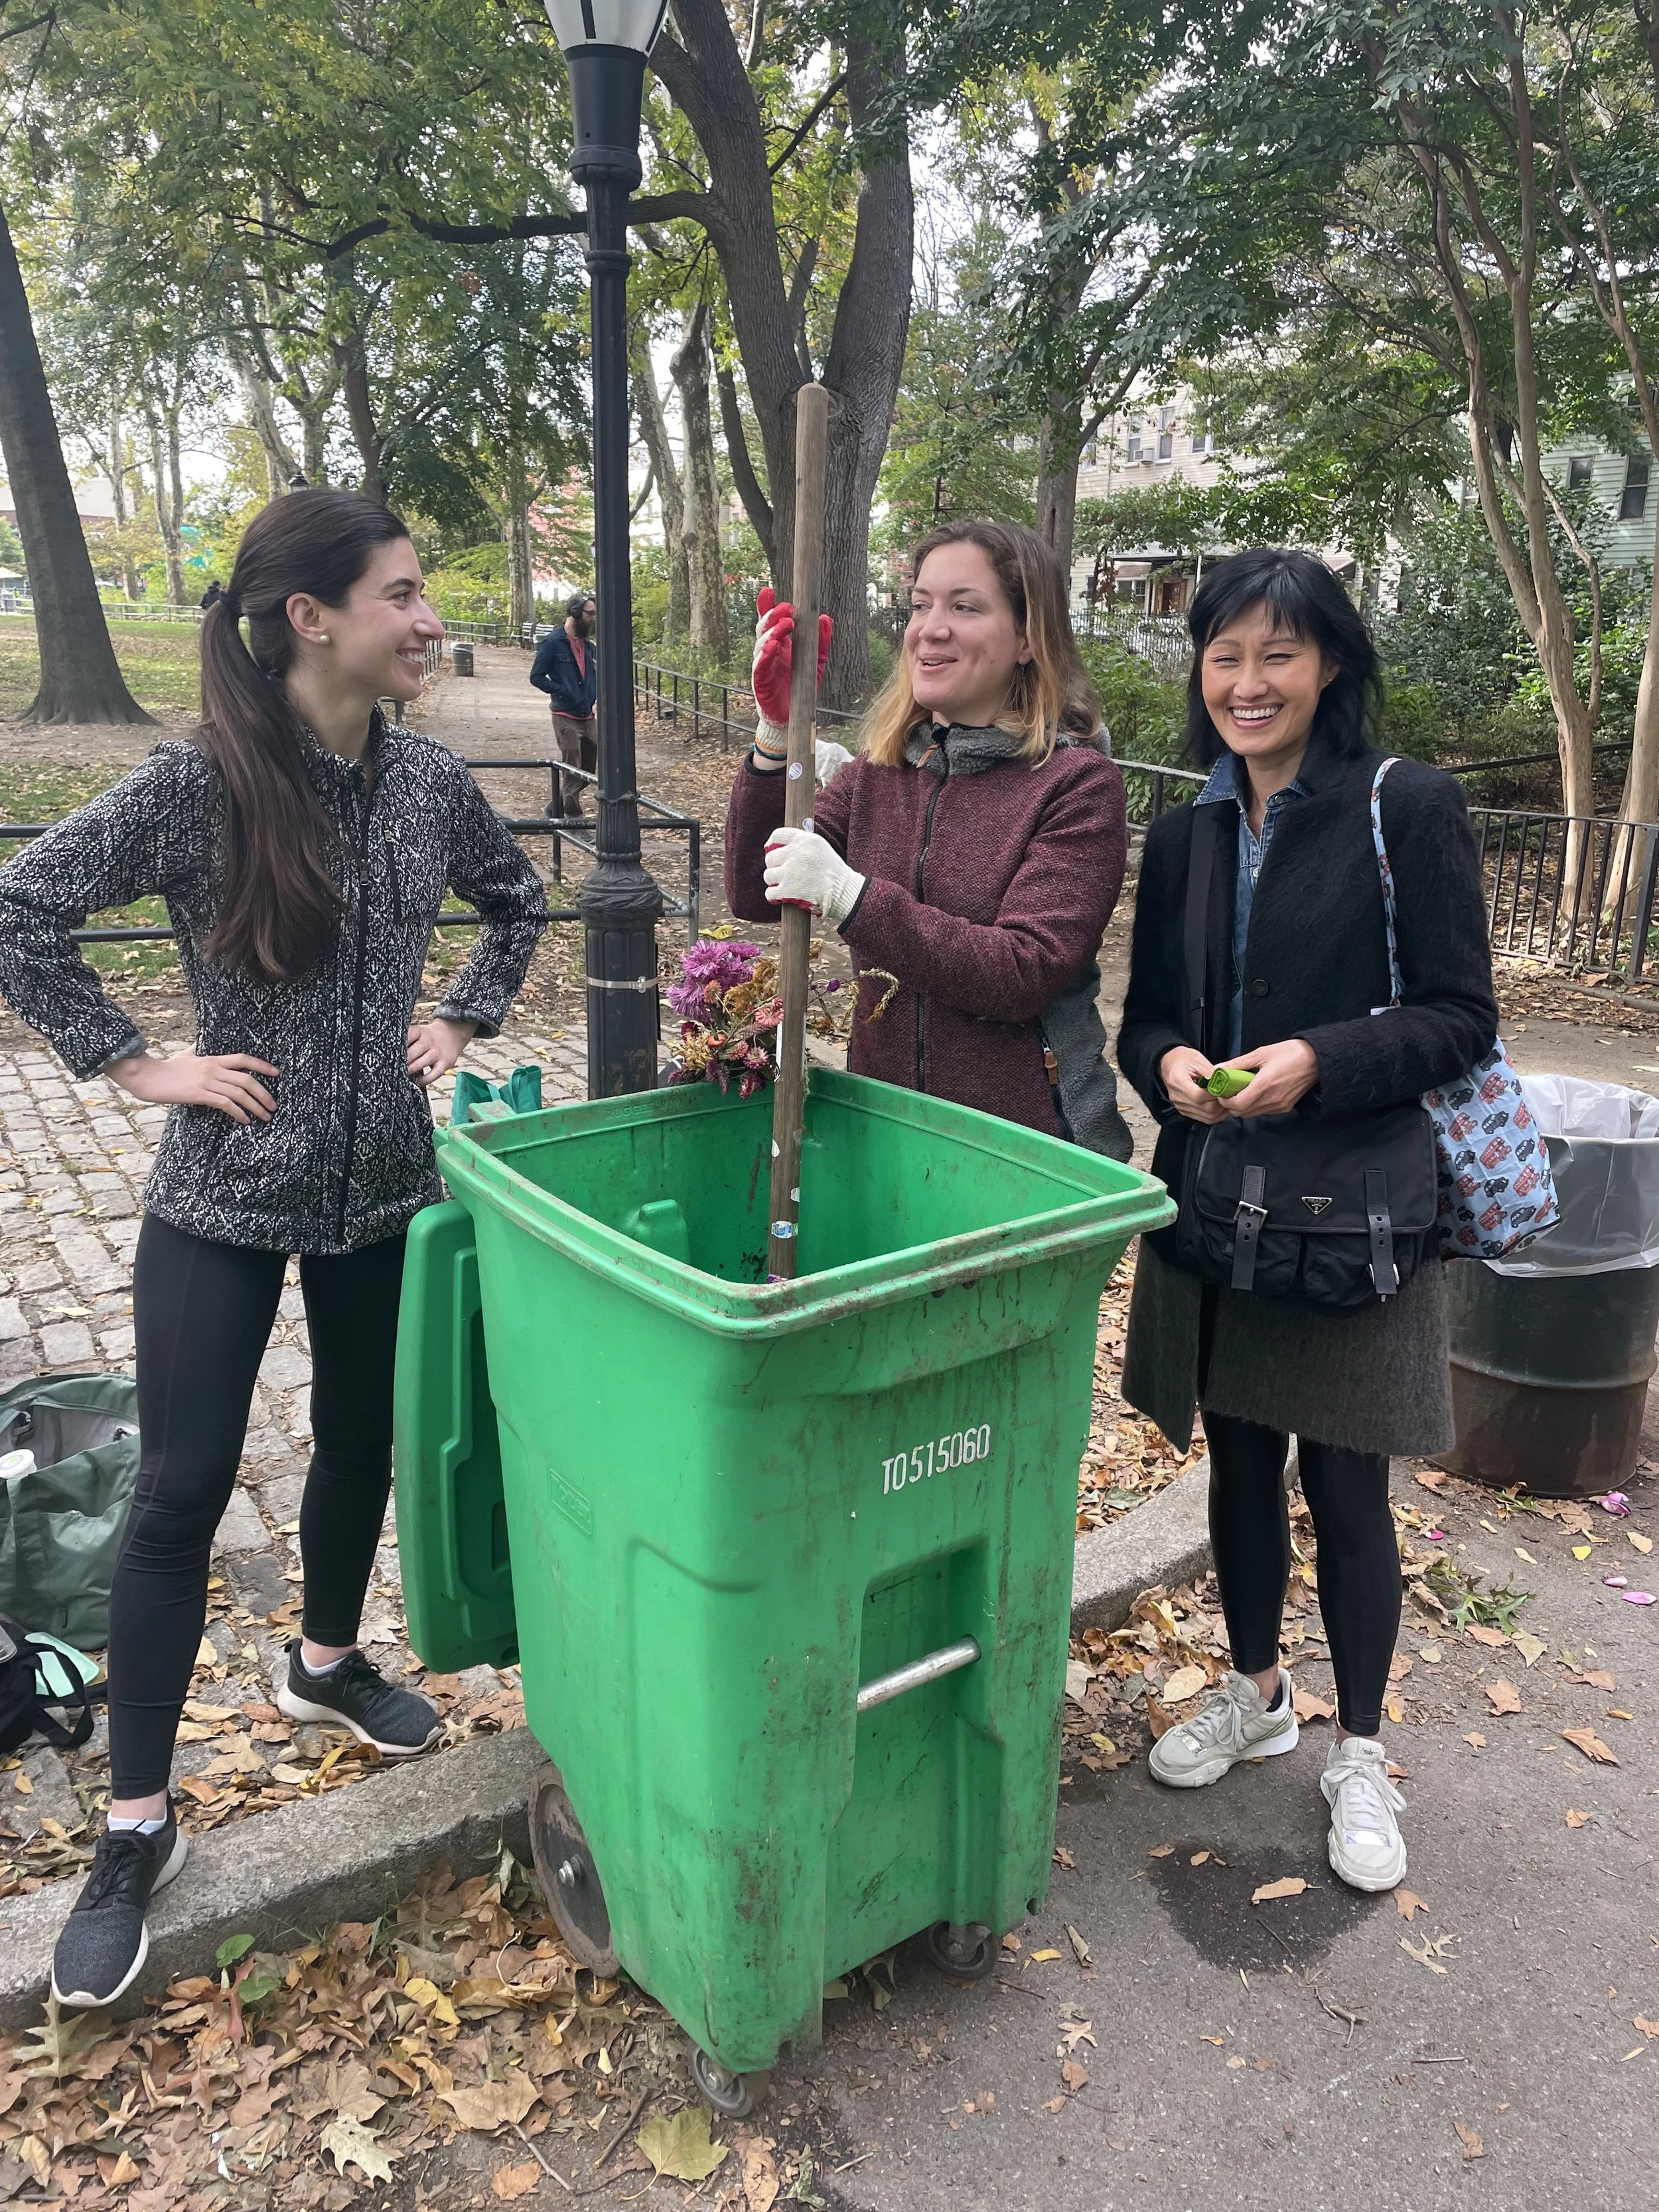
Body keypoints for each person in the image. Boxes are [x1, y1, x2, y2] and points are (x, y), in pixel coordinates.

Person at [0, 488, 546, 2008]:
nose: (427, 615)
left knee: (360, 1440)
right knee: (177, 1494)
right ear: (313, 617)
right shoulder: (207, 784)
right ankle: (135, 1825)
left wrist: (466, 1016)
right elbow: (23, 907)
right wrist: (141, 1064)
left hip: (385, 1192)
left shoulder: (431, 782)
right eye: (402, 591)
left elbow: (514, 902)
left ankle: (320, 1659)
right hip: (223, 1197)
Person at [1116, 548, 1498, 1890]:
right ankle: (1255, 1687)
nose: (1245, 680)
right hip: (1221, 1199)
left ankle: (1358, 1742)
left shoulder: (1406, 805)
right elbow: (1147, 1013)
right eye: (1222, 654)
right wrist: (1168, 1064)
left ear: (1330, 663)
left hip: (1357, 1215)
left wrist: (1315, 1060)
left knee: (1344, 1482)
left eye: (1276, 653)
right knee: (1234, 1465)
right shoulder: (1183, 832)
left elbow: (1459, 1016)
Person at [725, 521, 1131, 1156]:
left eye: (964, 607)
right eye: (920, 605)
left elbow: (1021, 973)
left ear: (1028, 637)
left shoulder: (1075, 785)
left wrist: (852, 898)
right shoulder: (880, 770)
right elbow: (757, 886)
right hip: (889, 1126)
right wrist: (777, 734)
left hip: (1026, 1146)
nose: (930, 628)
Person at [530, 591, 599, 816]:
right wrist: (563, 692)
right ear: (577, 613)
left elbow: (591, 674)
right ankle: (573, 814)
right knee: (571, 766)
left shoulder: (588, 646)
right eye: (590, 614)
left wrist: (592, 693)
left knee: (589, 768)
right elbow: (536, 676)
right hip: (564, 715)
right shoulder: (552, 643)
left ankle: (554, 807)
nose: (593, 619)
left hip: (587, 714)